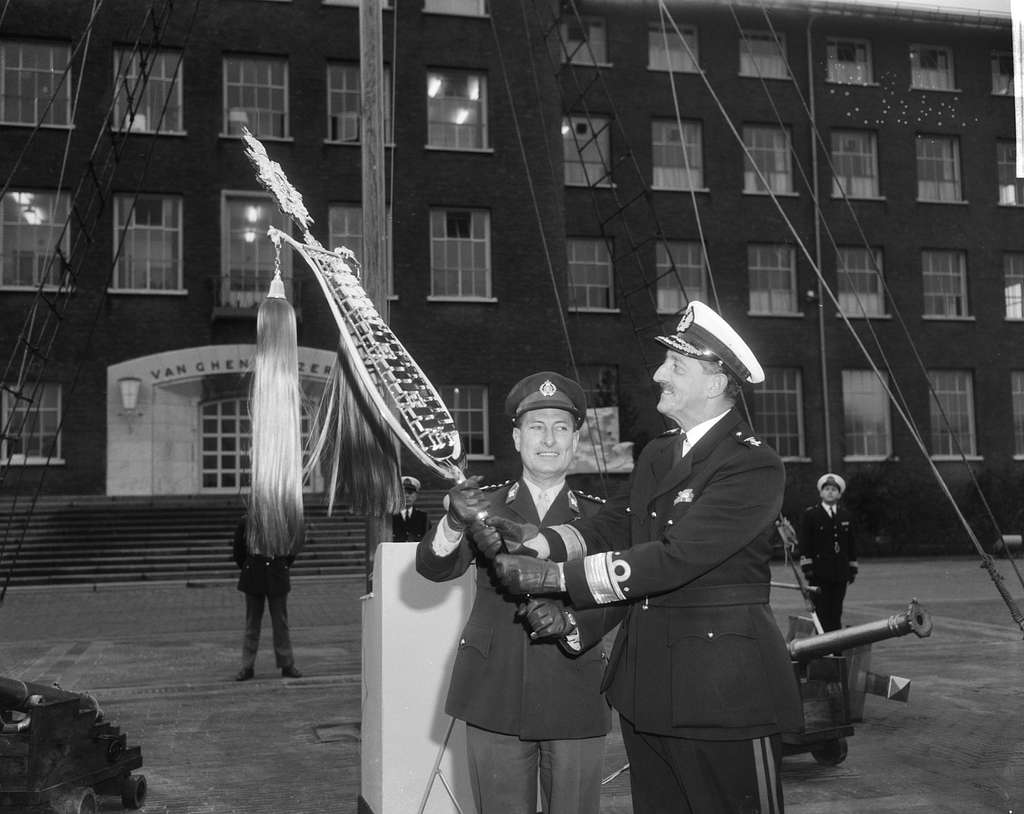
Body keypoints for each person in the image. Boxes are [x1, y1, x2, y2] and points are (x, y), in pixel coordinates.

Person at [487, 301, 804, 814]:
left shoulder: (752, 464)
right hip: (648, 690)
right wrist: (540, 541)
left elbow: (674, 558)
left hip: (723, 692)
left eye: (675, 366)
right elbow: (619, 523)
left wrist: (553, 577)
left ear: (716, 382)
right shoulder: (660, 453)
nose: (659, 374)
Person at [416, 371, 611, 814]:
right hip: (494, 690)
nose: (549, 439)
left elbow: (618, 594)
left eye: (561, 428)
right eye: (537, 427)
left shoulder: (602, 518)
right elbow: (432, 567)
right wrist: (452, 523)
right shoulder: (483, 506)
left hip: (574, 689)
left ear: (576, 440)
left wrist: (573, 623)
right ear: (517, 438)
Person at [232, 517, 304, 680]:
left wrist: (281, 564)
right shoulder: (246, 521)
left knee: (281, 623)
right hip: (254, 574)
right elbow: (238, 551)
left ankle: (287, 664)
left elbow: (291, 548)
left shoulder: (283, 519)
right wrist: (249, 566)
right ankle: (247, 666)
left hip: (276, 573)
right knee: (252, 624)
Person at [798, 473, 858, 633]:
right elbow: (805, 542)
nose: (830, 492)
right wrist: (807, 567)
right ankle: (822, 648)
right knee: (822, 611)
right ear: (820, 493)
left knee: (836, 611)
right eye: (826, 489)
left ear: (839, 494)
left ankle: (835, 647)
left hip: (840, 572)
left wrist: (852, 568)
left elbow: (851, 544)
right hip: (819, 572)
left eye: (833, 489)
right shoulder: (811, 515)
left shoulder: (846, 515)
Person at [391, 475, 430, 542]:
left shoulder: (423, 517)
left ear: (416, 495)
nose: (406, 496)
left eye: (410, 493)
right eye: (403, 493)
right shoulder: (390, 517)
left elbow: (428, 541)